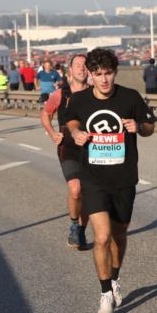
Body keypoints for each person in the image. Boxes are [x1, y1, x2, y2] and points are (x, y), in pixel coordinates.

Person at [64, 48, 156, 313]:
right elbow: (70, 119)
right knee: (101, 237)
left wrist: (138, 128)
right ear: (90, 75)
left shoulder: (129, 97)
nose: (104, 80)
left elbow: (150, 126)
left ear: (115, 72)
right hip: (93, 178)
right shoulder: (80, 99)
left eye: (109, 73)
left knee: (119, 235)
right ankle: (105, 294)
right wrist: (76, 131)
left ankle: (114, 278)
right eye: (98, 74)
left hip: (124, 178)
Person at [41, 53, 90, 249]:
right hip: (68, 149)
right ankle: (73, 225)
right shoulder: (61, 94)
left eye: (85, 65)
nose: (82, 68)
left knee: (86, 192)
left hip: (90, 148)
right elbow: (46, 114)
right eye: (78, 65)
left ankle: (81, 230)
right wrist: (52, 132)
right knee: (76, 189)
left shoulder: (95, 93)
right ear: (70, 70)